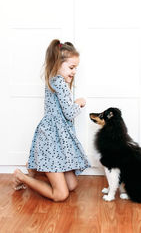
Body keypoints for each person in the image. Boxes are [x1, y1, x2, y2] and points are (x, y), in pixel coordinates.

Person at [13, 39, 90, 201]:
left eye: (76, 68)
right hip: (51, 141)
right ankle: (23, 177)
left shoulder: (55, 79)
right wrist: (78, 103)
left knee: (72, 185)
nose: (74, 71)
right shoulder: (59, 83)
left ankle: (36, 169)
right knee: (61, 194)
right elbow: (69, 113)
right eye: (71, 67)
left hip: (57, 141)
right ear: (57, 63)